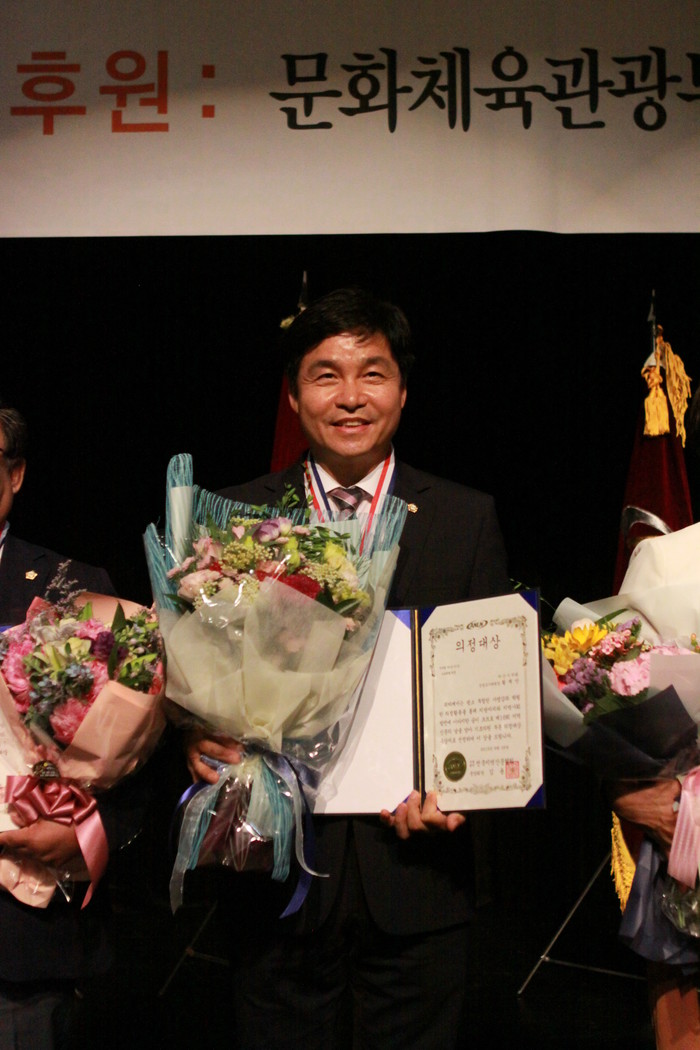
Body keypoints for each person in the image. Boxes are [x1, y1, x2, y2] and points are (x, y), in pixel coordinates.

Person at [184, 287, 510, 1049]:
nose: (351, 396)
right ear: (294, 395)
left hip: (420, 870)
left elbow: (488, 683)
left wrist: (460, 786)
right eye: (326, 375)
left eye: (373, 373)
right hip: (276, 870)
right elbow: (200, 674)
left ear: (403, 389)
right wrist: (194, 738)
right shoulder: (234, 516)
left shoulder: (465, 517)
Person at [0, 403, 148, 1050]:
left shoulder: (76, 592)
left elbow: (140, 758)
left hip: (19, 944)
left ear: (15, 475)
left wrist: (86, 834)